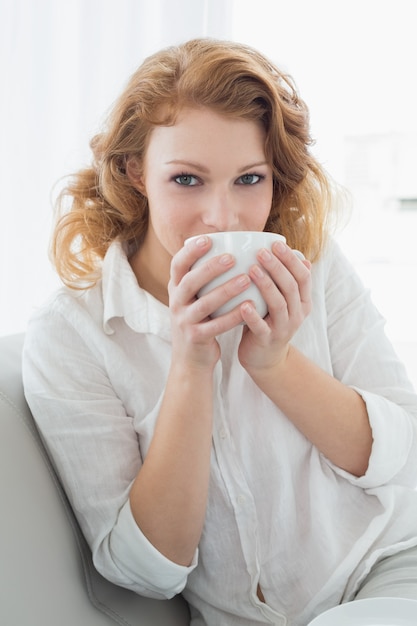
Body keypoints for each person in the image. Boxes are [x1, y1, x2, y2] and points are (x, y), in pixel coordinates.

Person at [22, 38, 417, 626]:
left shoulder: (312, 264)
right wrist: (191, 366)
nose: (223, 217)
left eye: (249, 180)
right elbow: (147, 570)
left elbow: (400, 457)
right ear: (135, 173)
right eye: (187, 180)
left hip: (387, 565)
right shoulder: (72, 337)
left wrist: (276, 366)